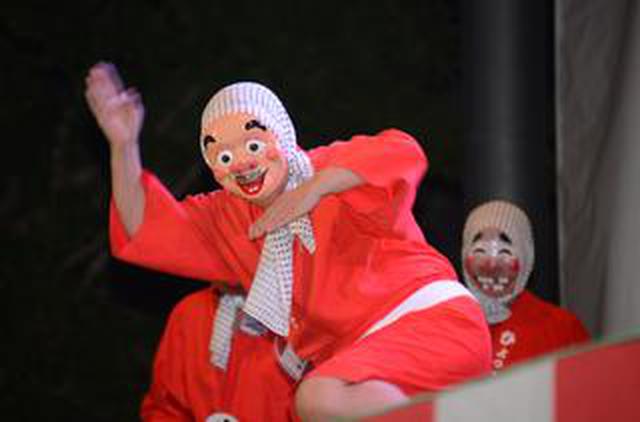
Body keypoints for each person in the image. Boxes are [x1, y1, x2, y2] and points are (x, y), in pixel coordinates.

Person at [85, 61, 492, 421]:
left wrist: (314, 190)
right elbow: (144, 229)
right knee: (317, 400)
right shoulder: (229, 219)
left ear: (280, 133)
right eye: (223, 157)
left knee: (316, 397)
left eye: (253, 144)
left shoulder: (322, 168)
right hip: (366, 370)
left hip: (431, 324)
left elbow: (403, 153)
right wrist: (123, 146)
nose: (242, 163)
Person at [461, 200, 591, 371]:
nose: (491, 265)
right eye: (480, 251)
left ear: (526, 256)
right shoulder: (444, 324)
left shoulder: (562, 329)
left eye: (505, 252)